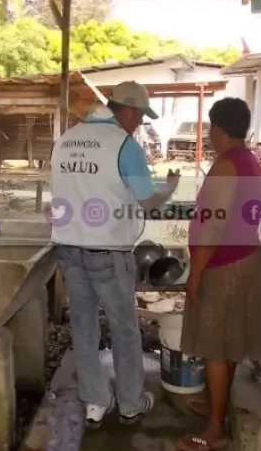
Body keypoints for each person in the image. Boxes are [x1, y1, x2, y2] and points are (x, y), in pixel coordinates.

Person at [49, 81, 181, 428]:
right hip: (107, 250)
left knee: (84, 327)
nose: (139, 123)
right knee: (124, 329)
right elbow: (147, 201)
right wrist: (169, 187)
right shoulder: (124, 145)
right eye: (139, 116)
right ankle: (131, 404)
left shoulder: (66, 139)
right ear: (128, 111)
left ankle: (95, 402)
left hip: (68, 246)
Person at [176, 97, 261, 451]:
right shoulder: (249, 161)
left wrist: (195, 275)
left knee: (214, 346)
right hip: (241, 260)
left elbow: (213, 227)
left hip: (223, 264)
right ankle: (218, 408)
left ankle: (215, 430)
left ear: (217, 128)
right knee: (226, 341)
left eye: (210, 127)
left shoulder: (227, 166)